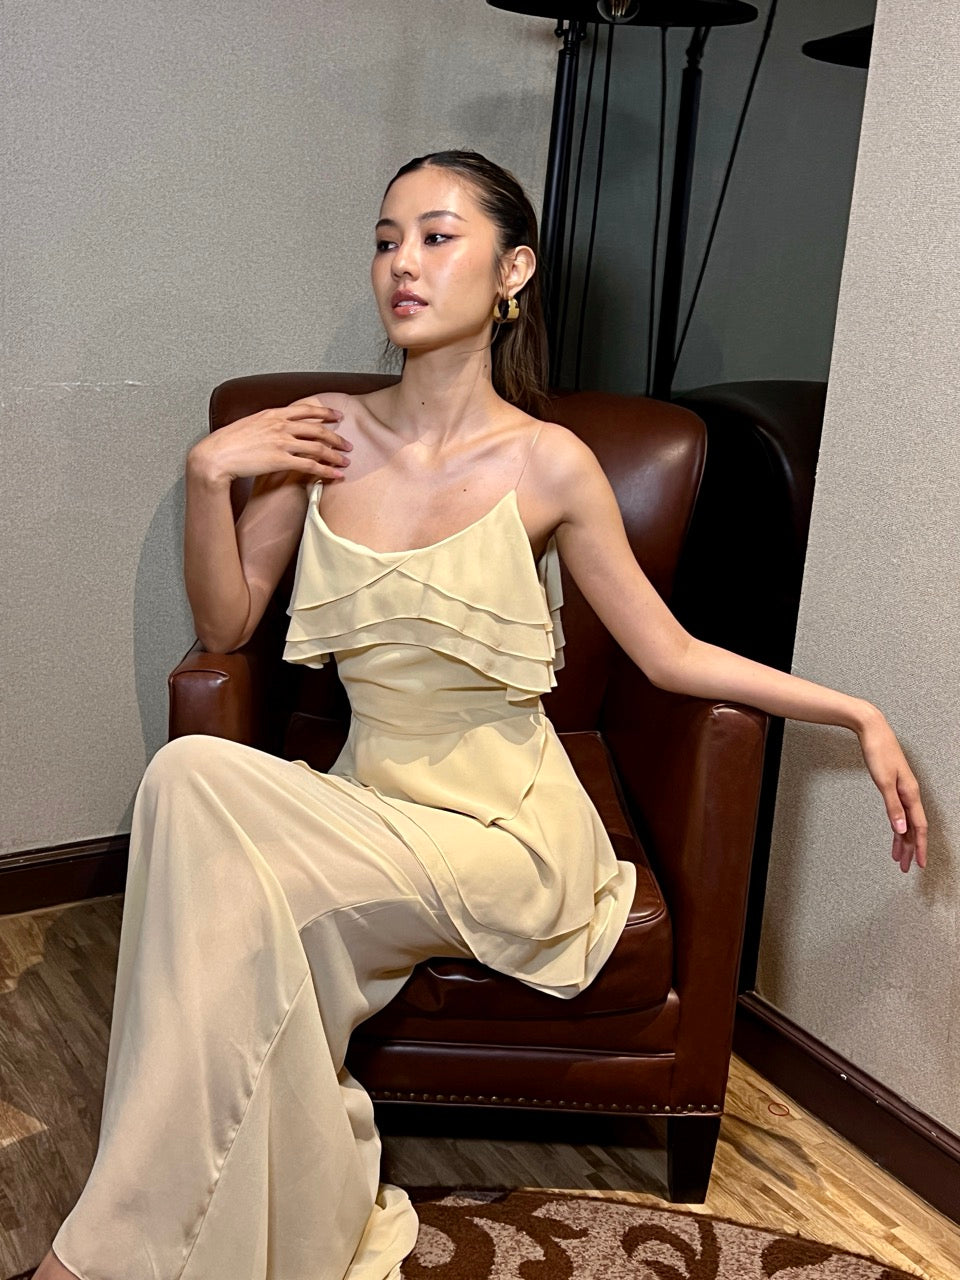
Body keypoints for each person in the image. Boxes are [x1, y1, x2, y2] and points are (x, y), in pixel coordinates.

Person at [37, 149, 928, 1280]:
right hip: (368, 806)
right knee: (186, 783)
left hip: (505, 835)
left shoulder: (551, 464)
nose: (402, 264)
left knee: (224, 878)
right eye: (385, 240)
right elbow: (225, 623)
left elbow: (670, 653)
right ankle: (254, 1224)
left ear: (513, 271)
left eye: (436, 236)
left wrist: (855, 711)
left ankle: (102, 1257)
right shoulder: (322, 435)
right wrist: (209, 475)